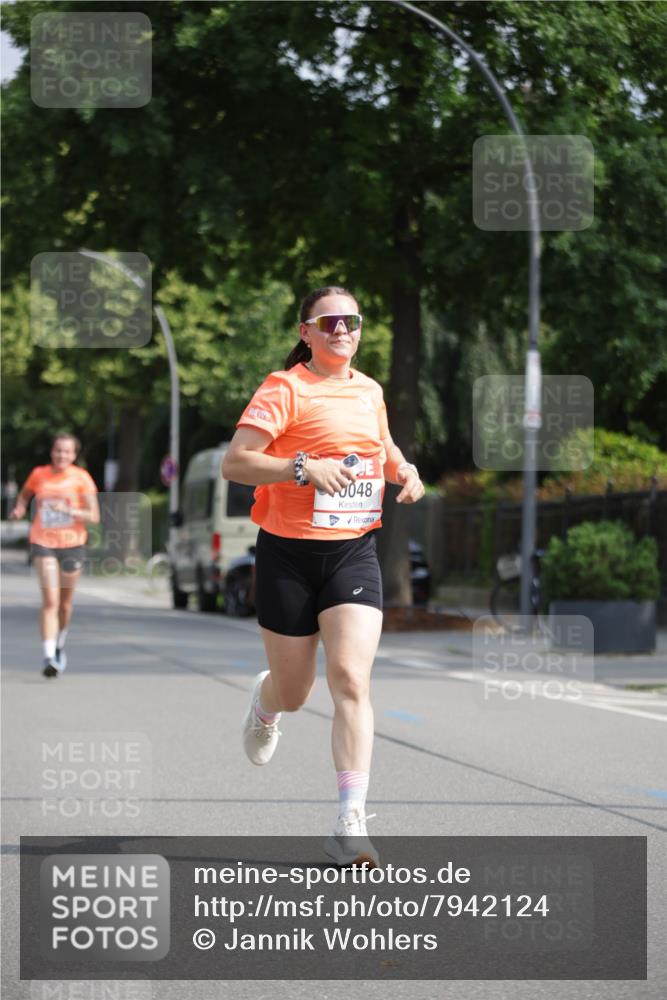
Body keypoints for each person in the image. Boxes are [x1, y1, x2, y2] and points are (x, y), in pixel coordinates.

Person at [222, 286, 425, 866]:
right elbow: (235, 462)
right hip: (287, 554)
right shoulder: (284, 388)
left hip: (353, 552)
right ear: (306, 332)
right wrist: (303, 467)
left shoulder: (370, 391)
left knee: (350, 679)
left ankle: (350, 822)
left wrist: (405, 470)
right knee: (296, 691)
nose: (342, 330)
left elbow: (382, 448)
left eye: (351, 321)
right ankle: (265, 705)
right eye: (328, 321)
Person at [9, 433, 100, 678]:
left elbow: (94, 516)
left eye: (67, 452)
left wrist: (69, 509)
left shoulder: (82, 478)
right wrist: (19, 507)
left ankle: (60, 645)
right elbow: (26, 494)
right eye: (58, 450)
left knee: (65, 604)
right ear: (52, 452)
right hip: (43, 541)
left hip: (73, 543)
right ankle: (49, 656)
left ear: (74, 455)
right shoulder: (39, 474)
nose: (62, 455)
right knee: (50, 600)